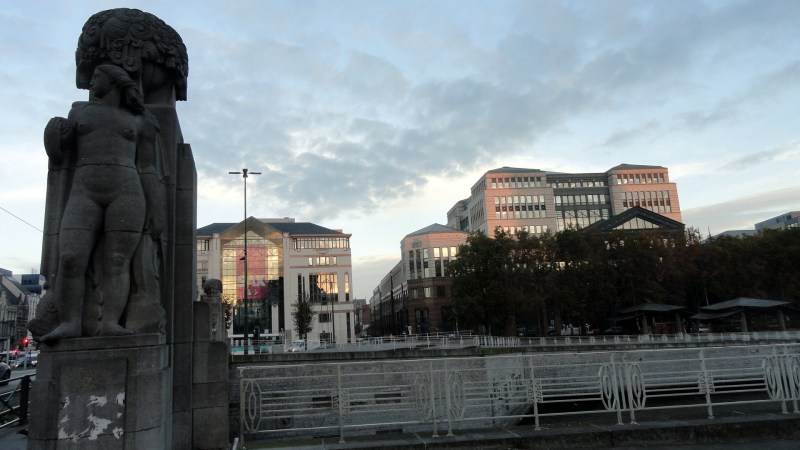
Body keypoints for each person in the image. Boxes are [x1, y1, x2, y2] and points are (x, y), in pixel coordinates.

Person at [40, 64, 164, 342]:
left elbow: (147, 166)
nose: (92, 83)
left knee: (119, 261)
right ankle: (69, 322)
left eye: (97, 78)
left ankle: (111, 322)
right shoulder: (79, 113)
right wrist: (52, 137)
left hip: (127, 190)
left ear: (114, 83)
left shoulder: (141, 120)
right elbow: (60, 155)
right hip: (84, 188)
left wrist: (156, 207)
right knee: (70, 258)